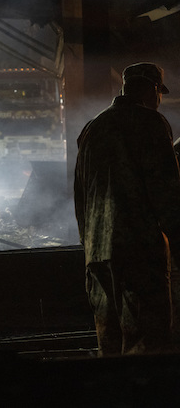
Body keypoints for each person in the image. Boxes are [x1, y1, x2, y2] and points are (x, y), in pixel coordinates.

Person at [74, 62, 180, 356]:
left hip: (97, 256)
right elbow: (167, 193)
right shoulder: (151, 124)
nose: (159, 101)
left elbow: (80, 195)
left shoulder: (91, 128)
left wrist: (88, 244)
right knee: (147, 345)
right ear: (152, 89)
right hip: (139, 252)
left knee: (110, 345)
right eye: (160, 92)